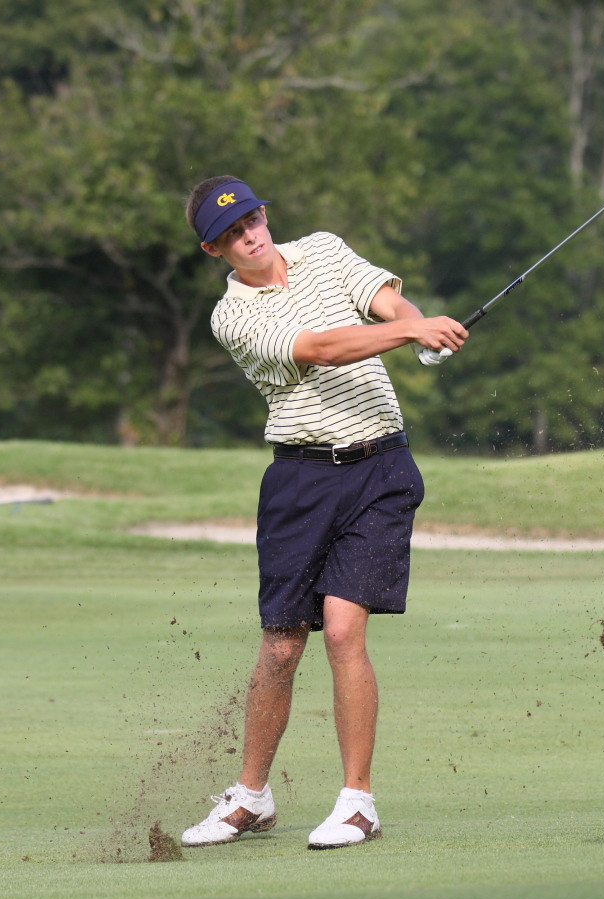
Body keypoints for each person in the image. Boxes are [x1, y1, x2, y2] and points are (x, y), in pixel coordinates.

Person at [179, 176, 468, 850]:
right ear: (213, 249)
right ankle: (251, 796)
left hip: (381, 469)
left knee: (342, 631)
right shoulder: (232, 316)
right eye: (231, 235)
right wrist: (410, 331)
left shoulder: (326, 250)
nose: (249, 237)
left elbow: (384, 299)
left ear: (264, 213)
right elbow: (319, 348)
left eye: (251, 220)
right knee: (282, 644)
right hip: (300, 479)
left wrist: (417, 327)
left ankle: (358, 802)